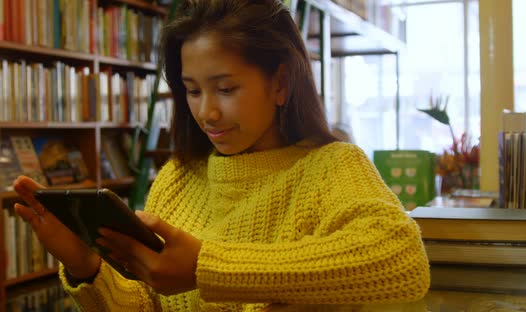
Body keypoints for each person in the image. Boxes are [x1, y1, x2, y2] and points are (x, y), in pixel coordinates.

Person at [13, 0, 430, 310]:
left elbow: (402, 261)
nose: (206, 112)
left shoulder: (331, 167)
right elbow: (146, 304)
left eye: (226, 89)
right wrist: (86, 266)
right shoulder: (179, 178)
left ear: (281, 83)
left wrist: (206, 267)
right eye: (192, 90)